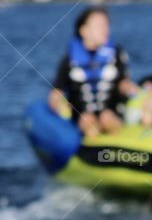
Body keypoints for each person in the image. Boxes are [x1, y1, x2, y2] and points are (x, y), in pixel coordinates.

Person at [49, 7, 136, 138]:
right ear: (83, 31)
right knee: (88, 121)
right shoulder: (69, 60)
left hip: (111, 112)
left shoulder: (116, 54)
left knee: (107, 118)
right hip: (83, 115)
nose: (105, 29)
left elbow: (125, 83)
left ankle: (117, 149)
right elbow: (56, 94)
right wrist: (59, 105)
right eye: (99, 25)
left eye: (106, 25)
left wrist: (132, 90)